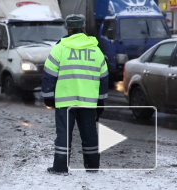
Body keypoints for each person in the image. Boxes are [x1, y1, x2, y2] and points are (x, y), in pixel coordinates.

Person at [41, 14, 108, 174]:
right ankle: (92, 167)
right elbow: (104, 78)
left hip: (65, 102)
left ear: (68, 29)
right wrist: (101, 102)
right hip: (89, 102)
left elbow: (48, 75)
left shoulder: (59, 49)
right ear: (84, 28)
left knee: (63, 135)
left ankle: (60, 167)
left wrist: (48, 96)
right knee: (89, 134)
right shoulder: (95, 50)